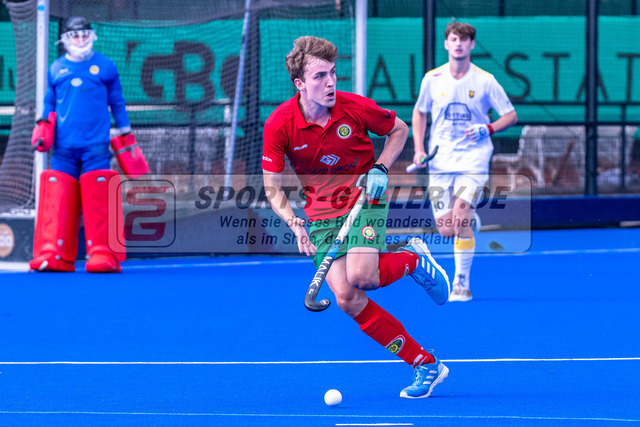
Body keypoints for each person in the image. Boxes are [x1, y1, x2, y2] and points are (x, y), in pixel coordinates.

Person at [262, 36, 451, 398]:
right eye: (319, 76)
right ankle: (425, 364)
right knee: (347, 298)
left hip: (366, 196)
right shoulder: (280, 124)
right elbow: (272, 188)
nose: (330, 82)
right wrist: (293, 221)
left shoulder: (354, 107)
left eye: (333, 73)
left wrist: (381, 167)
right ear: (300, 84)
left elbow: (399, 130)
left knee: (363, 276)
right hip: (320, 212)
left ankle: (413, 259)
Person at [410, 22, 518, 302]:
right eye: (454, 39)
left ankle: (461, 283)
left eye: (464, 39)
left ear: (472, 45)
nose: (458, 44)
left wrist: (488, 128)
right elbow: (419, 113)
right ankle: (472, 221)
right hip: (440, 161)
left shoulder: (485, 80)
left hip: (474, 159)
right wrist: (419, 149)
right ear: (446, 44)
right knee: (447, 229)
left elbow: (510, 115)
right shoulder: (432, 79)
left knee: (460, 217)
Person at [29, 16, 145, 273]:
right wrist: (43, 124)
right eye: (75, 35)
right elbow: (49, 102)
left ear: (92, 36)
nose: (80, 40)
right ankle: (53, 252)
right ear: (66, 39)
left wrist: (126, 133)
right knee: (57, 197)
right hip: (63, 148)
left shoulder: (106, 66)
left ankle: (103, 252)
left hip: (96, 146)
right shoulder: (56, 68)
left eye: (84, 35)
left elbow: (117, 102)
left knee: (100, 197)